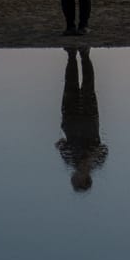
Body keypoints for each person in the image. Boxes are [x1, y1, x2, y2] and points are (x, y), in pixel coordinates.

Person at [56, 44, 108, 191]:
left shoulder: (70, 160)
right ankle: (85, 55)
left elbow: (60, 143)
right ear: (85, 179)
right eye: (76, 180)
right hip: (89, 118)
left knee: (70, 84)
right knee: (88, 85)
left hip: (70, 119)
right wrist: (89, 159)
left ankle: (71, 55)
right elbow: (104, 148)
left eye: (74, 180)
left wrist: (62, 145)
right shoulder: (97, 162)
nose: (73, 177)